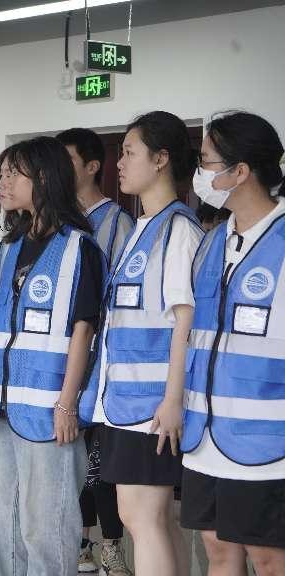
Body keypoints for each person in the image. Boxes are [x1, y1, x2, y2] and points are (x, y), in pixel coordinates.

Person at [0, 136, 105, 576]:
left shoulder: (80, 249)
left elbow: (83, 331)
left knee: (46, 526)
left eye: (13, 173)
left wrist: (67, 404)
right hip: (0, 408)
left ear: (44, 177)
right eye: (1, 174)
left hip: (48, 412)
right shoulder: (9, 247)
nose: (3, 183)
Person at [87, 111, 203, 576]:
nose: (119, 162)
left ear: (161, 159)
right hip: (128, 401)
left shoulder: (178, 231)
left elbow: (185, 321)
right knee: (153, 519)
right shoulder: (145, 226)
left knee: (141, 517)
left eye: (129, 152)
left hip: (153, 406)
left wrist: (173, 400)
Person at [181, 111, 285, 576]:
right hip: (205, 431)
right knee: (217, 547)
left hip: (266, 439)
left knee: (268, 556)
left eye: (205, 161)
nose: (199, 173)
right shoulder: (213, 241)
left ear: (240, 171)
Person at [56, 127, 134, 576]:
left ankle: (112, 545)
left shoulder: (117, 223)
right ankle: (81, 541)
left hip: (102, 359)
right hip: (63, 359)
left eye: (66, 161)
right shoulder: (58, 221)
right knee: (73, 458)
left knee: (101, 462)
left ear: (91, 166)